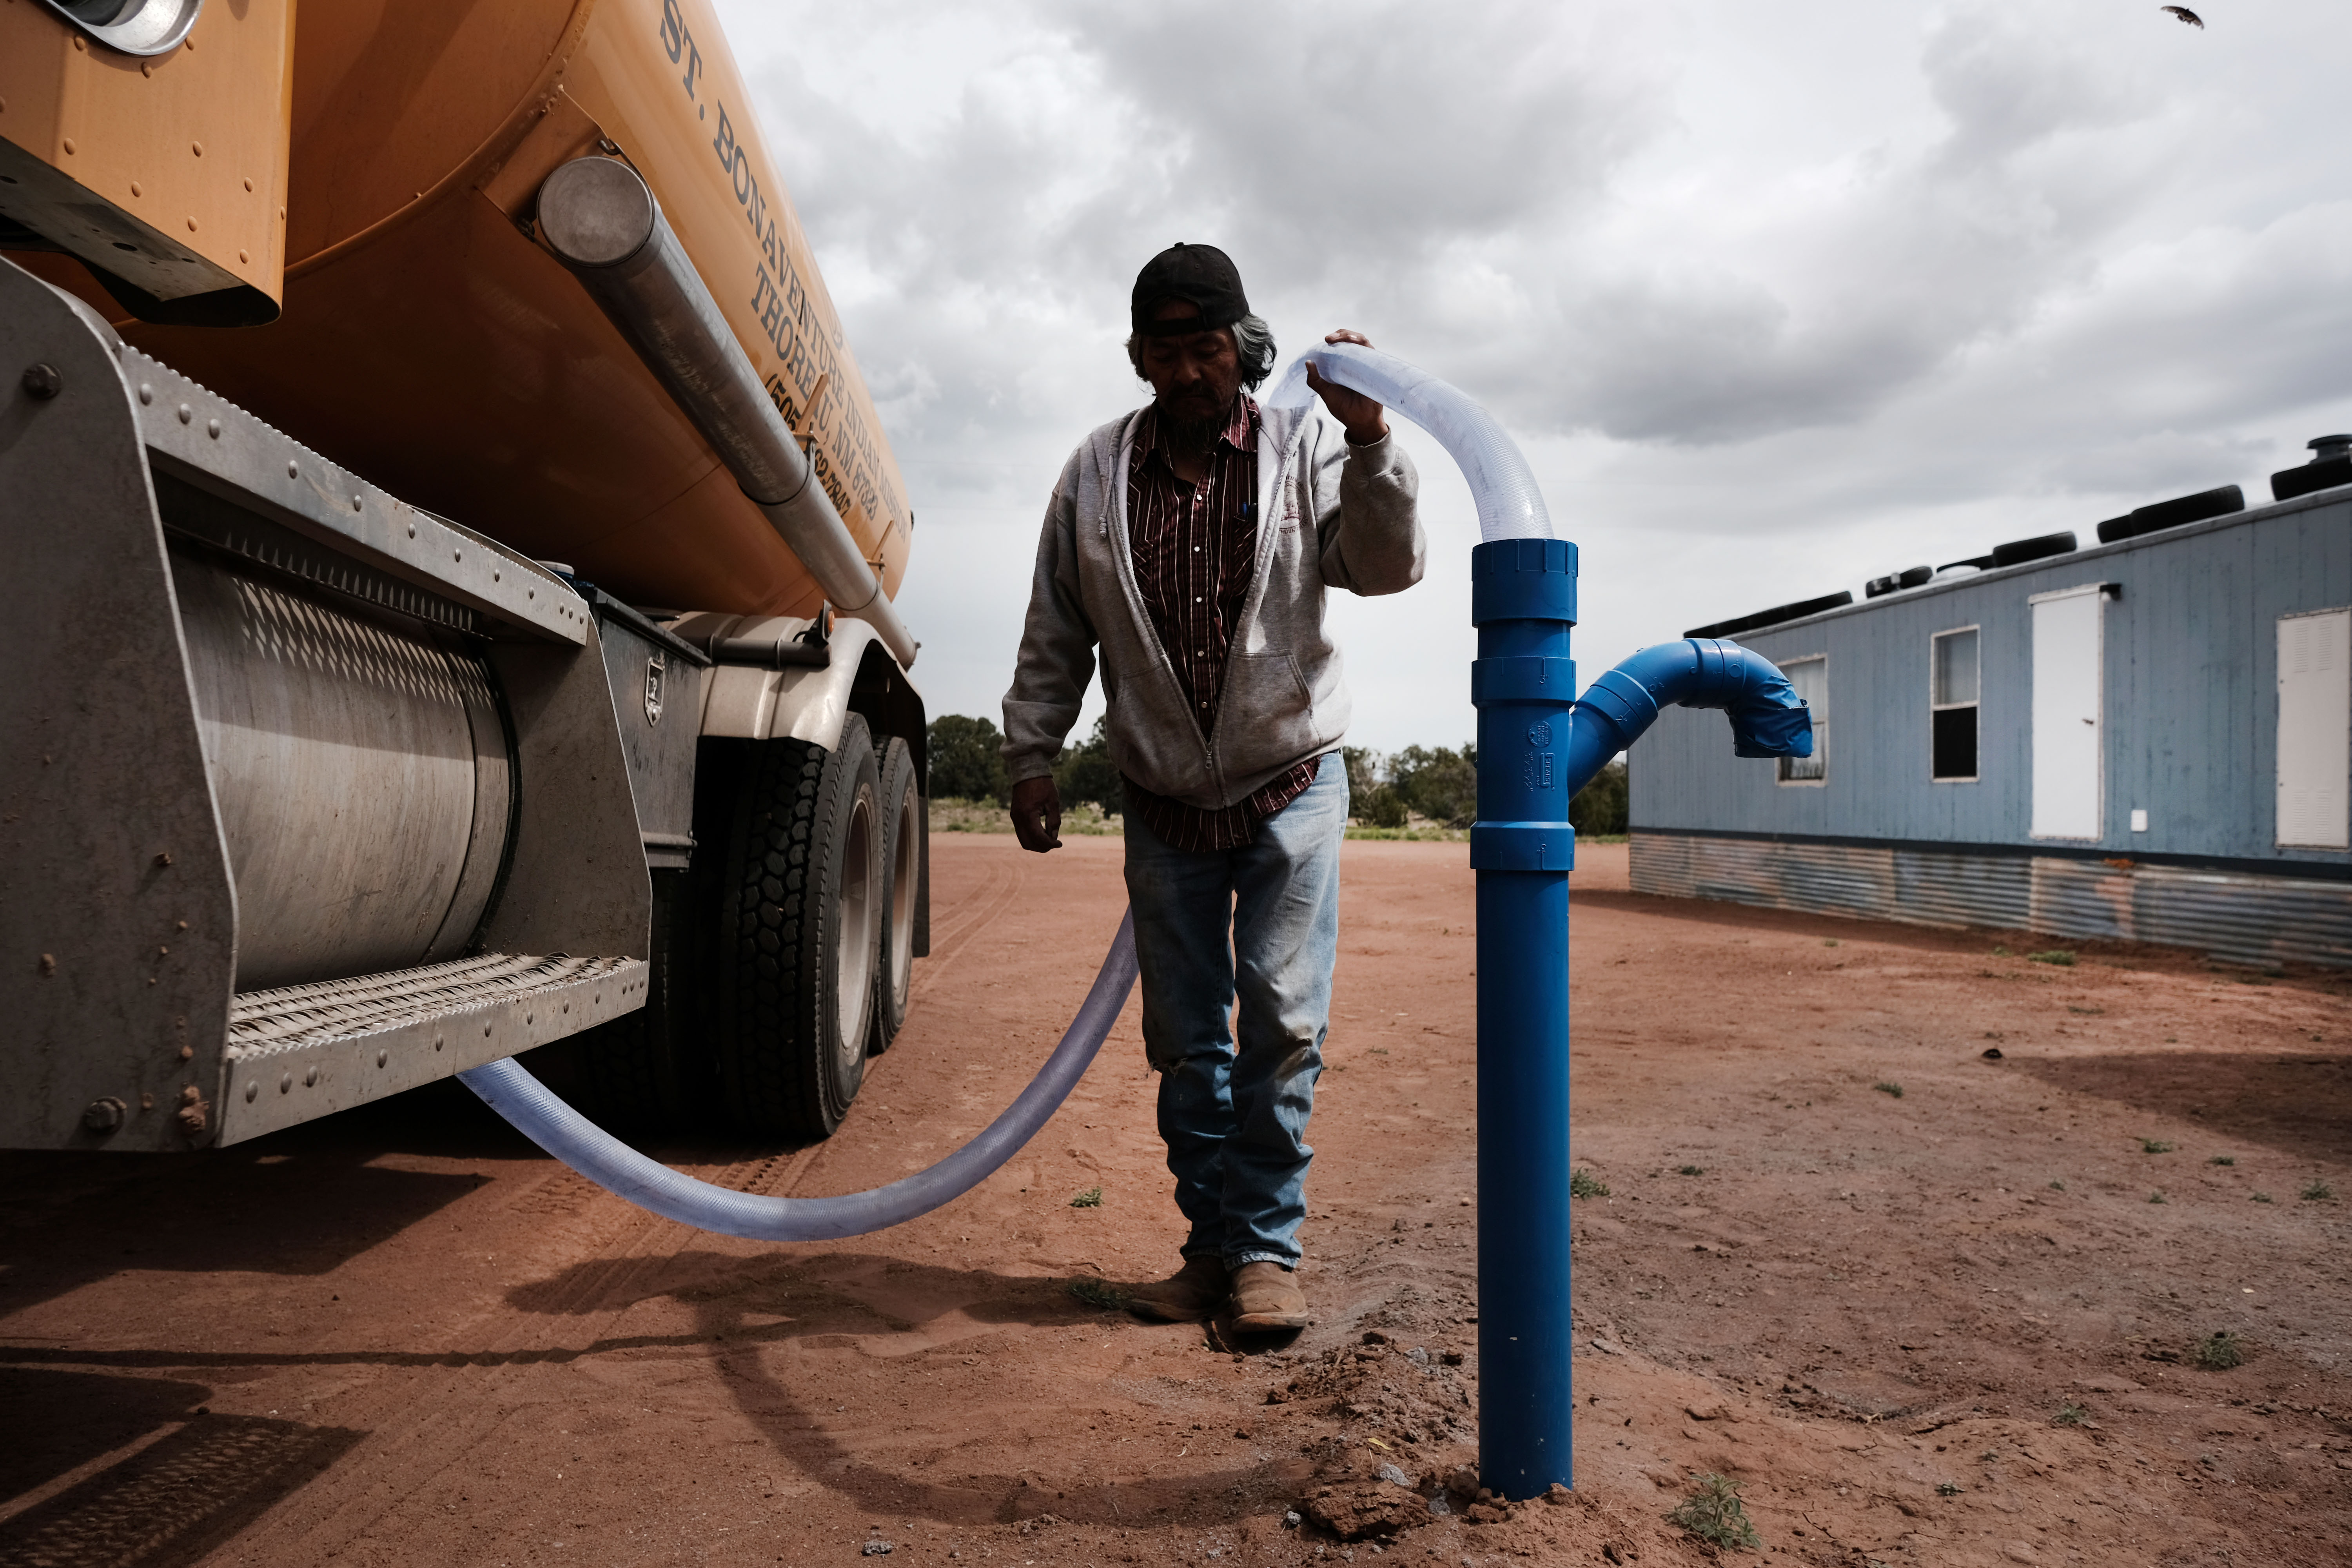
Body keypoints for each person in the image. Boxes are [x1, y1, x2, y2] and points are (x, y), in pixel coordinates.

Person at [1000, 243, 1423, 1329]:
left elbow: (1385, 569)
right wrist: (1031, 753)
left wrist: (1373, 436)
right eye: (1165, 352)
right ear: (1138, 359)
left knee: (1282, 1021)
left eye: (1206, 349)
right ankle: (1210, 1249)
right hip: (1164, 799)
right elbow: (1058, 625)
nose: (1188, 372)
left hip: (1291, 781)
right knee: (1188, 1042)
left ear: (1240, 350)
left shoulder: (1303, 444)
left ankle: (1266, 1255)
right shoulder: (1095, 472)